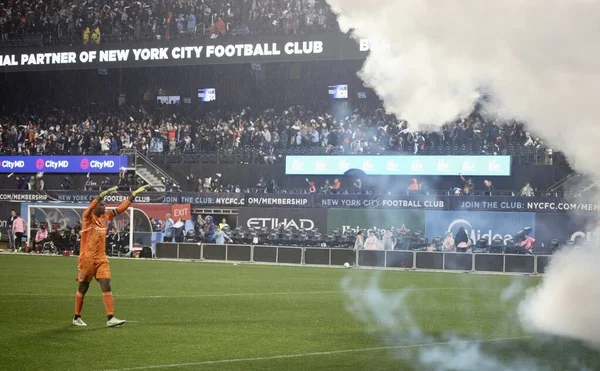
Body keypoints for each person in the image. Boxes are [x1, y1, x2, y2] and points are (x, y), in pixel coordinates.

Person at [72, 184, 150, 328]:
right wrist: (101, 195)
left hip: (101, 258)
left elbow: (121, 208)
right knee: (83, 287)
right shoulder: (87, 217)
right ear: (95, 206)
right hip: (87, 259)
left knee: (106, 284)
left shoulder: (106, 217)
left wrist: (133, 195)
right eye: (102, 204)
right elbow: (90, 207)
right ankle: (77, 317)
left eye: (105, 204)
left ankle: (110, 318)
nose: (104, 207)